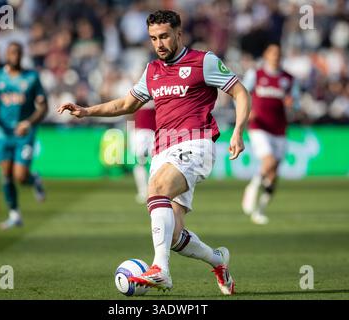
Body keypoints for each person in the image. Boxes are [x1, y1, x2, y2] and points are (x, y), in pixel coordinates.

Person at [57, 10, 250, 295]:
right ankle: (218, 260)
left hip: (196, 143)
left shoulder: (203, 61)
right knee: (172, 235)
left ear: (178, 34)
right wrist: (87, 111)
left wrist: (238, 131)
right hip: (163, 150)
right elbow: (126, 104)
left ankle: (161, 270)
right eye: (153, 38)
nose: (158, 43)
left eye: (164, 37)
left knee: (156, 188)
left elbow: (241, 93)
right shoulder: (152, 71)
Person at [0, 42, 48, 230]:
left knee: (20, 176)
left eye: (17, 53)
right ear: (6, 55)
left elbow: (43, 106)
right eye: (11, 52)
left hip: (24, 134)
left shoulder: (31, 77)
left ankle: (34, 180)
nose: (14, 56)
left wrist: (28, 123)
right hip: (3, 135)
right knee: (6, 174)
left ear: (21, 55)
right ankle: (14, 214)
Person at [241, 42, 299, 225]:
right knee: (269, 161)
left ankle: (260, 210)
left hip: (279, 129)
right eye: (272, 53)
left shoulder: (288, 79)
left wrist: (292, 104)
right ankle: (252, 187)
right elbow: (241, 93)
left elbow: (295, 102)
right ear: (266, 55)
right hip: (259, 127)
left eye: (278, 53)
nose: (275, 56)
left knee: (273, 174)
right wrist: (247, 111)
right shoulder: (256, 74)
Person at [129, 101, 156, 204]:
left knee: (156, 162)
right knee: (140, 162)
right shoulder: (139, 90)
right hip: (140, 131)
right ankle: (143, 191)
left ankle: (153, 190)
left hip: (154, 131)